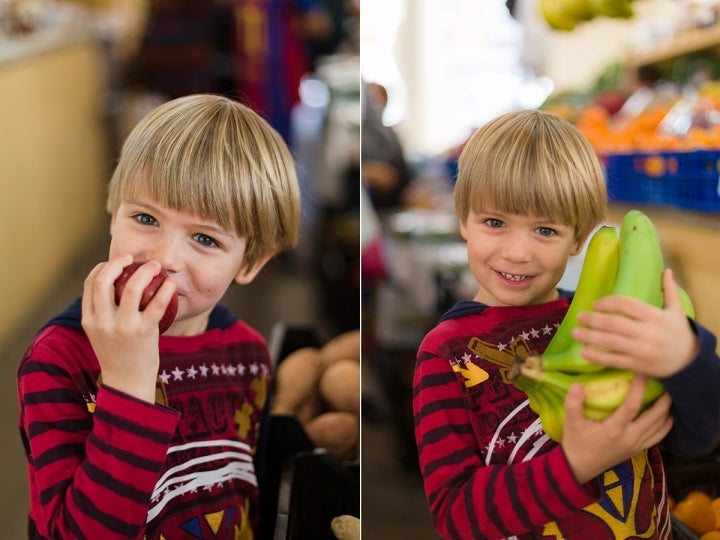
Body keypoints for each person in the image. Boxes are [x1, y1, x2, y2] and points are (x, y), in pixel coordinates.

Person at [413, 109, 720, 539]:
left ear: (579, 238)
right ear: (463, 219)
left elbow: (697, 439)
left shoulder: (606, 325)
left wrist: (686, 356)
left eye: (544, 230)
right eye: (495, 222)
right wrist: (576, 464)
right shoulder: (446, 353)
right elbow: (455, 516)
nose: (518, 252)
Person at [17, 94, 300, 539]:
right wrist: (128, 383)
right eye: (146, 217)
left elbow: (250, 497)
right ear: (113, 214)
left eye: (206, 239)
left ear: (250, 264)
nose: (164, 257)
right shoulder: (59, 359)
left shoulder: (248, 353)